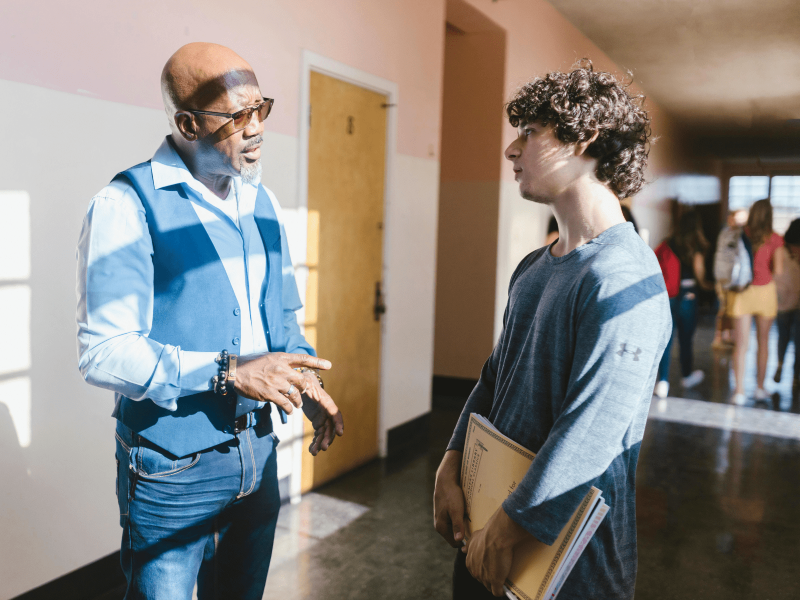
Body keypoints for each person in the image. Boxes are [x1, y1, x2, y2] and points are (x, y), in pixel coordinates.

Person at [76, 43, 344, 599]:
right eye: (237, 116)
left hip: (257, 458)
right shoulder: (125, 205)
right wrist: (227, 371)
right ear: (188, 124)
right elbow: (104, 351)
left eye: (261, 108)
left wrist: (304, 379)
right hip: (170, 472)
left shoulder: (263, 202)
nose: (257, 128)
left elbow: (280, 316)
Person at [433, 61, 671, 599]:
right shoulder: (534, 267)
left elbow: (593, 428)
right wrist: (452, 459)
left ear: (584, 138)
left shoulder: (623, 276)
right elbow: (495, 377)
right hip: (490, 533)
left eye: (530, 132)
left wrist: (510, 526)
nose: (511, 149)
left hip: (568, 566)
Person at [727, 198, 784, 405]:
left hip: (741, 291)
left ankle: (739, 392)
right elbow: (778, 270)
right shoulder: (775, 238)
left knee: (741, 344)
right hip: (765, 292)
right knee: (763, 342)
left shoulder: (740, 234)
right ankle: (760, 388)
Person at [654, 210, 714, 399]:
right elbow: (699, 272)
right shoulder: (695, 246)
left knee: (666, 339)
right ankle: (686, 376)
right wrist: (708, 286)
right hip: (688, 295)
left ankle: (662, 381)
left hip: (668, 295)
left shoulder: (668, 242)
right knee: (686, 339)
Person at [712, 210, 748, 349]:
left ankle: (729, 336)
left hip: (735, 278)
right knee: (724, 308)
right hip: (724, 277)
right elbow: (722, 256)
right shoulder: (725, 234)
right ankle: (718, 337)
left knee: (732, 309)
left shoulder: (741, 234)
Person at [773, 218, 800, 387]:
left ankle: (794, 373)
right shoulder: (781, 251)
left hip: (787, 301)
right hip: (784, 302)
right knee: (786, 337)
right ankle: (783, 367)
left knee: (791, 338)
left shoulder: (781, 251)